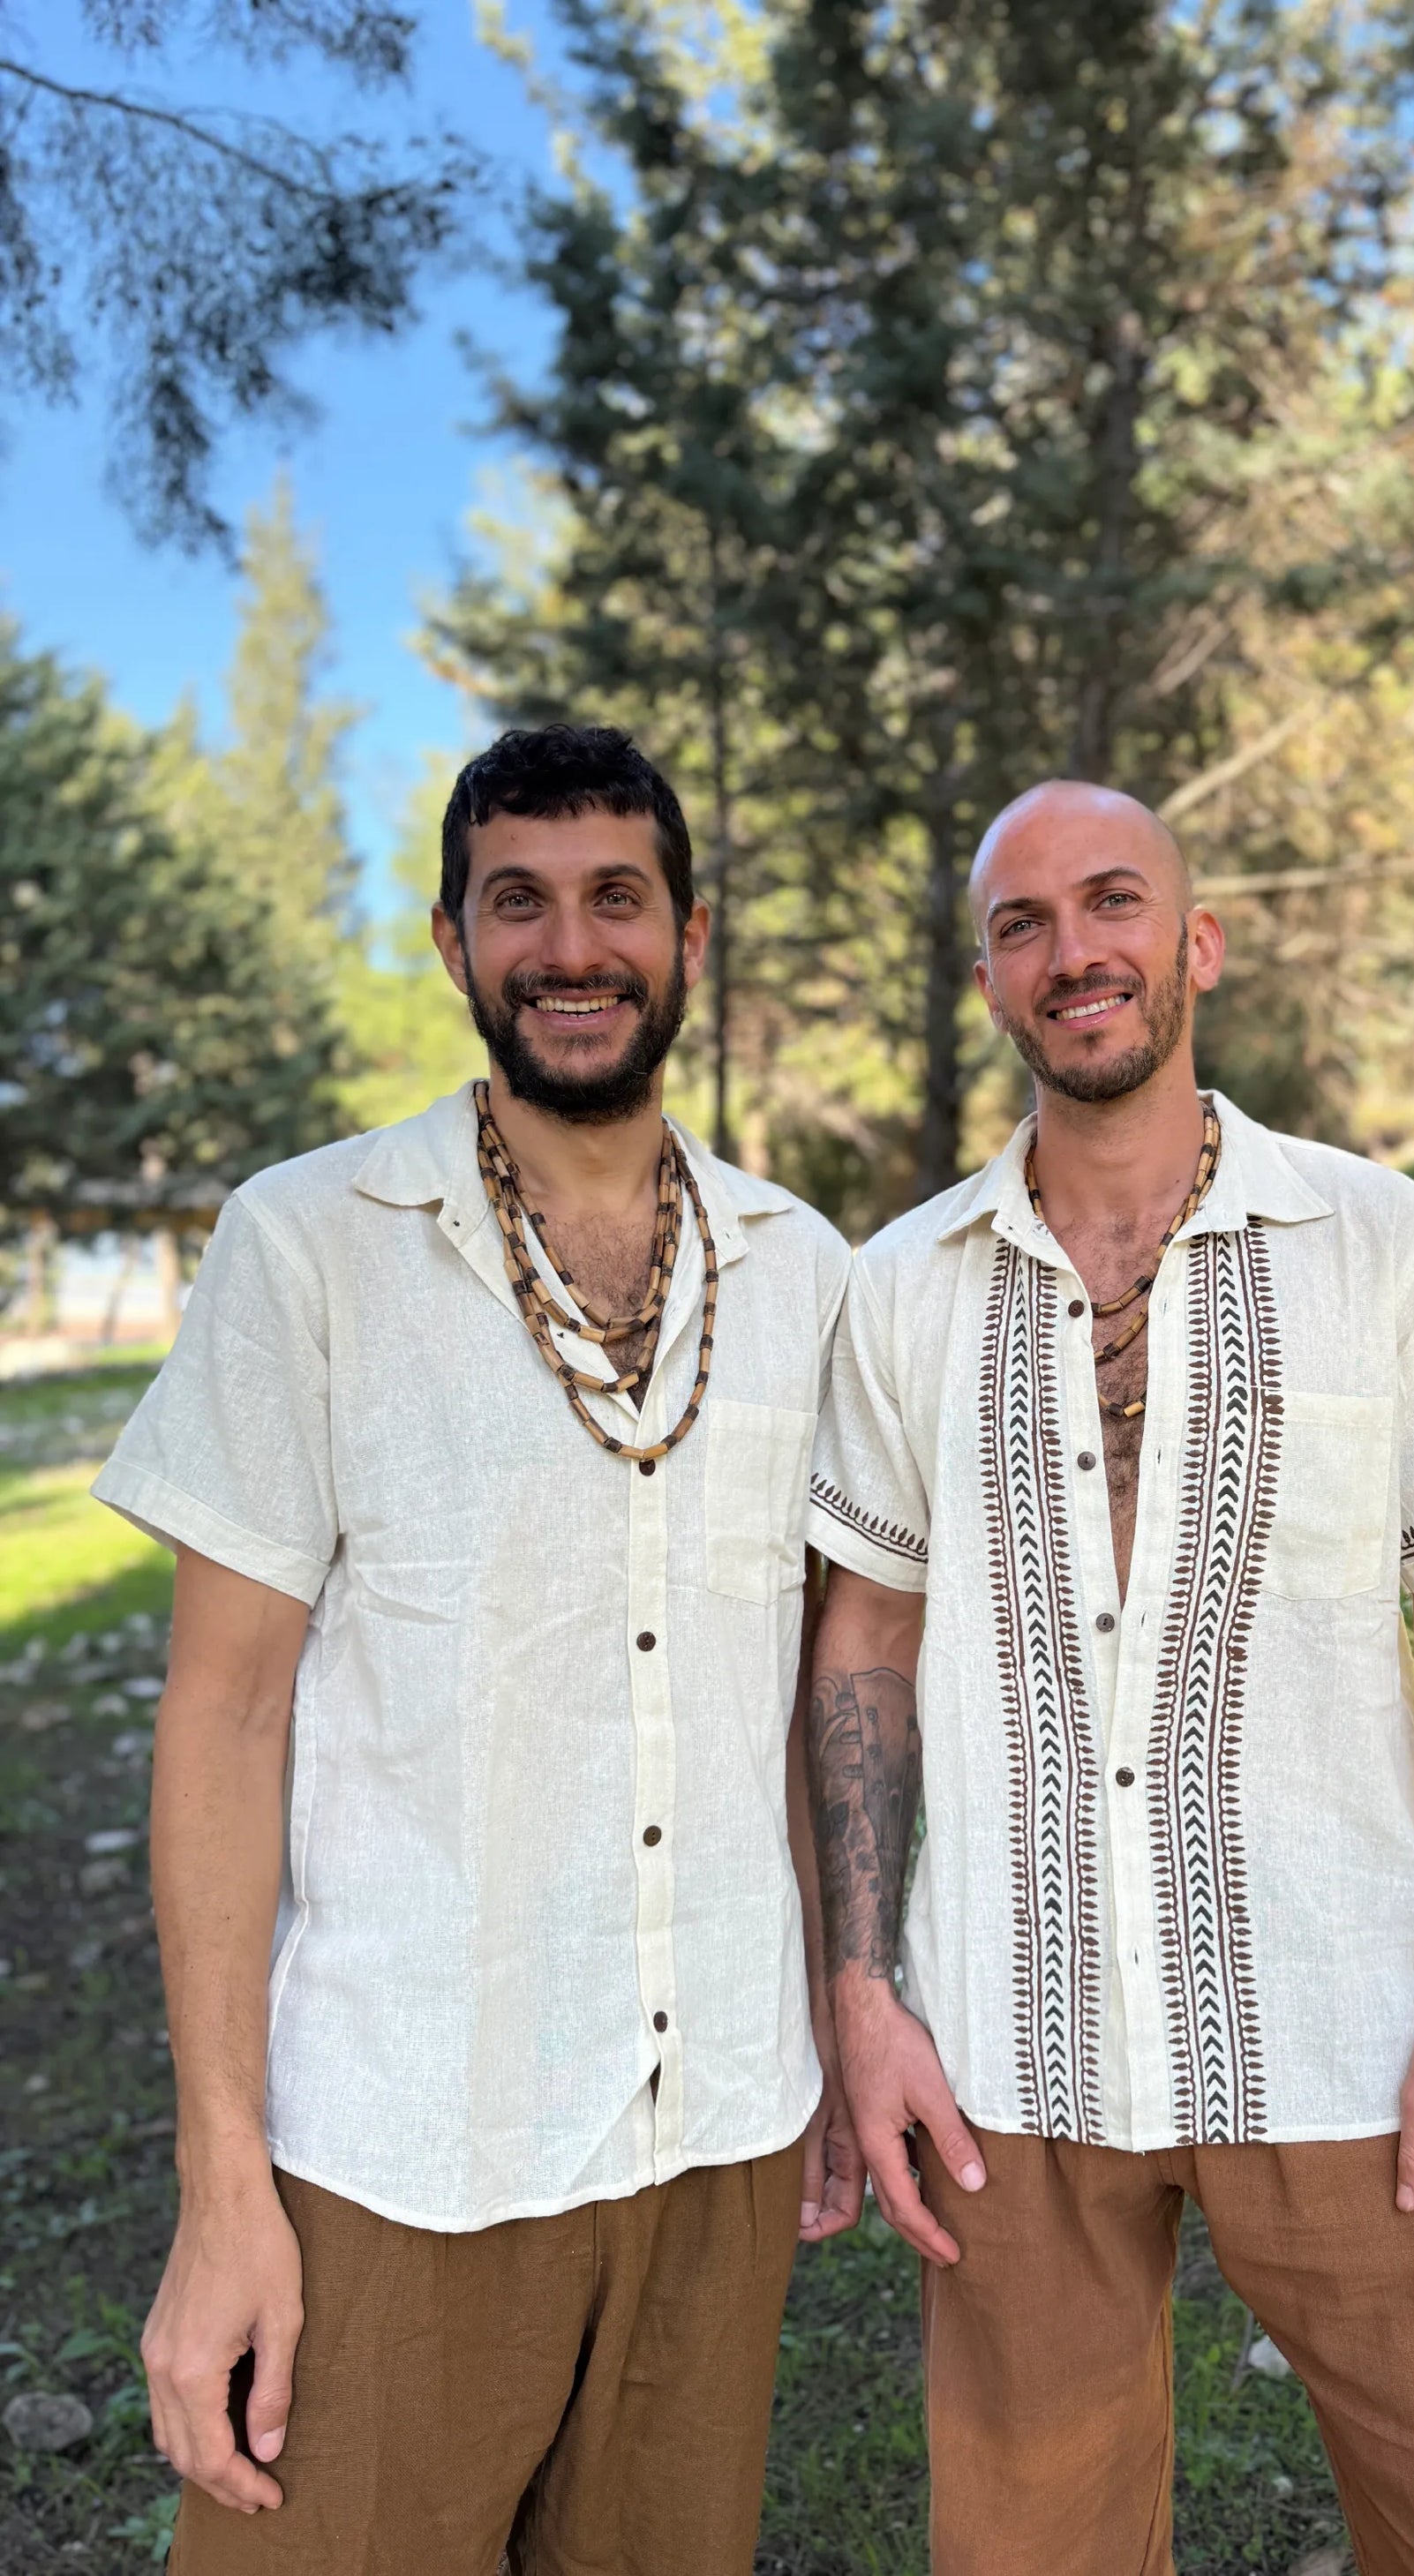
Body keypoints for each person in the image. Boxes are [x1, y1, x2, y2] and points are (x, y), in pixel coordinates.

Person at [95, 724, 861, 2576]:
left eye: (616, 897)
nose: (569, 945)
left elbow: (808, 1689)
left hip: (719, 2123)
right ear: (453, 941)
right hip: (403, 2141)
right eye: (517, 899)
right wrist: (223, 2188)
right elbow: (224, 1711)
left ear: (688, 934)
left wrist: (837, 2017)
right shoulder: (310, 1246)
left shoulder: (803, 1268)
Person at [807, 779, 1414, 2576]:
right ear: (992, 980)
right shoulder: (898, 1286)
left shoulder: (1376, 1243)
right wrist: (860, 1987)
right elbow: (863, 1631)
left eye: (1110, 902)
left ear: (1194, 942)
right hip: (1012, 2038)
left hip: (1345, 2030)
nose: (1071, 950)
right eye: (1021, 924)